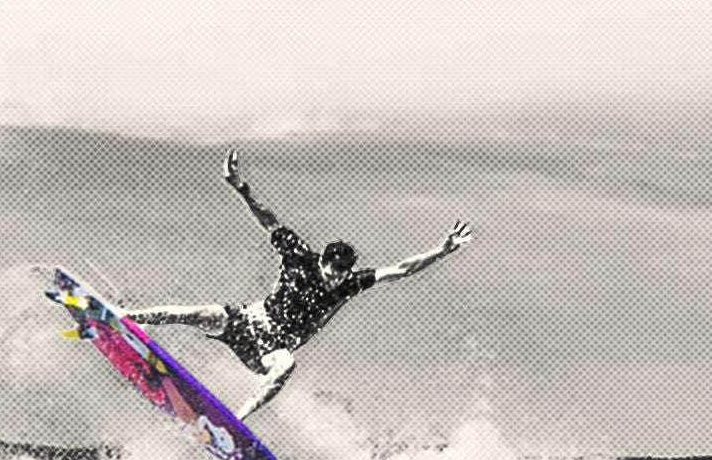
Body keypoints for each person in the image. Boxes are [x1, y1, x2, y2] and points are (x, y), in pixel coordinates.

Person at [130, 152, 475, 418]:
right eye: (332, 269)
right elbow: (268, 219)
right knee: (199, 312)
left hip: (270, 348)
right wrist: (240, 187)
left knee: (287, 366)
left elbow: (400, 270)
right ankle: (127, 317)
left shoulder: (349, 284)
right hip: (248, 323)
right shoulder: (300, 256)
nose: (336, 277)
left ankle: (237, 419)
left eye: (342, 272)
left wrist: (442, 250)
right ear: (322, 260)